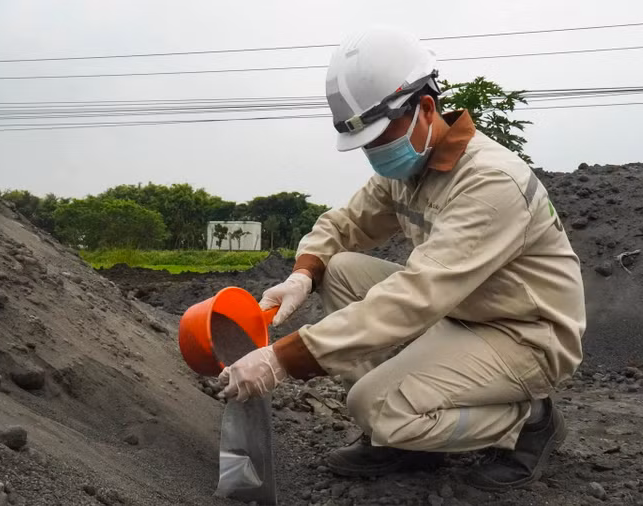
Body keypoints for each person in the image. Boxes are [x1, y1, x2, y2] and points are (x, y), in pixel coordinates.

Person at [217, 25, 586, 490]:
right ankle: (405, 439)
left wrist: (284, 358)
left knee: (374, 406)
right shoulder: (410, 167)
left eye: (379, 136)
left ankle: (528, 421)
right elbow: (344, 224)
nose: (374, 152)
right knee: (341, 271)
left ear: (425, 108)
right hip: (466, 312)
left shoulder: (490, 183)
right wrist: (302, 275)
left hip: (526, 334)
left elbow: (418, 294)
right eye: (366, 142)